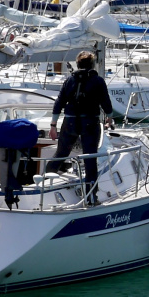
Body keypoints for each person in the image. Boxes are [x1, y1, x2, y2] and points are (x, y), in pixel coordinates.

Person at [47, 51, 115, 199]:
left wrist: (53, 125)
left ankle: (44, 184)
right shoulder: (98, 81)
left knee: (60, 154)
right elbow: (106, 103)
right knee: (90, 158)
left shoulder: (70, 80)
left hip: (70, 122)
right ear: (92, 65)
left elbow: (59, 103)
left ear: (77, 65)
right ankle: (91, 196)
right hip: (90, 122)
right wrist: (109, 118)